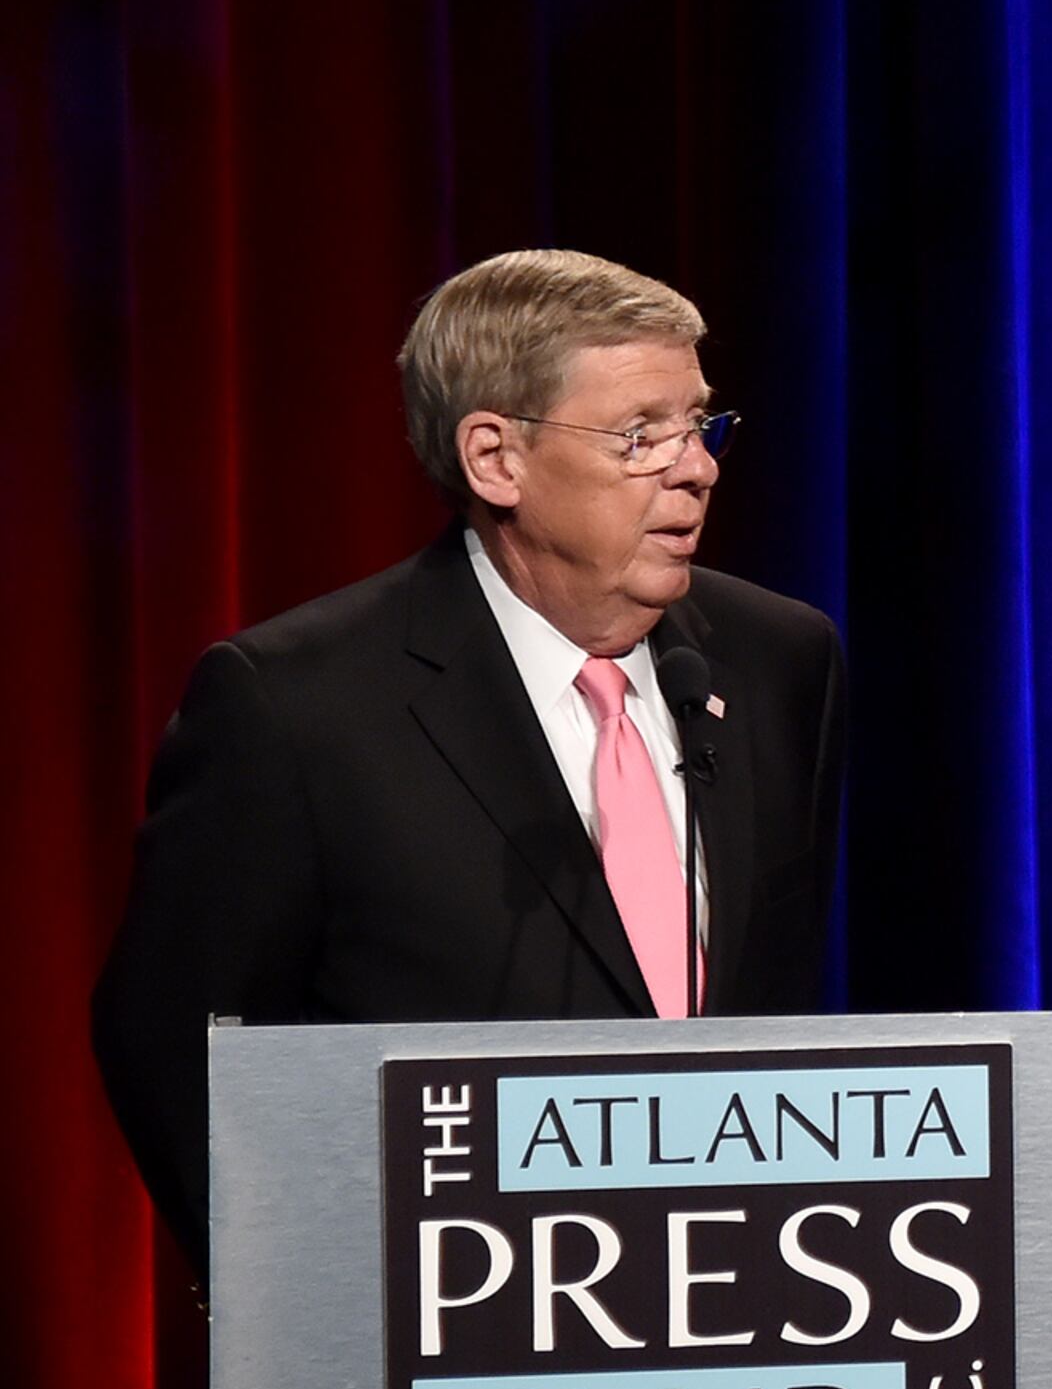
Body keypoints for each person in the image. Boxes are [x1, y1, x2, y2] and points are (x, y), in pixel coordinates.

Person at [93, 248, 850, 1272]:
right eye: (641, 435)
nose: (698, 467)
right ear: (496, 459)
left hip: (734, 1297)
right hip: (439, 1313)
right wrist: (296, 1296)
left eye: (698, 424)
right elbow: (176, 1045)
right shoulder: (295, 705)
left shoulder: (779, 659)